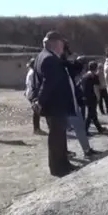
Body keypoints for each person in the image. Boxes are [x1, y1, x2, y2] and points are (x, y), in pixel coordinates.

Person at [33, 31, 79, 177]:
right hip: (55, 104)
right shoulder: (49, 59)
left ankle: (64, 163)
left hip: (55, 104)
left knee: (59, 136)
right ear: (55, 44)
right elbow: (48, 83)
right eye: (61, 44)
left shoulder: (44, 56)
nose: (63, 47)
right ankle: (58, 168)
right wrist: (39, 101)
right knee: (56, 137)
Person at [63, 47, 98, 158]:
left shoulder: (67, 69)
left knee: (76, 128)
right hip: (67, 104)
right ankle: (83, 151)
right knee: (69, 129)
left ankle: (85, 150)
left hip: (72, 103)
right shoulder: (64, 69)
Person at [81, 61, 105, 135]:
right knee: (91, 114)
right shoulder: (94, 77)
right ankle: (85, 130)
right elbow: (96, 88)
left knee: (93, 114)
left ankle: (99, 128)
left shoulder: (84, 76)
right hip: (92, 97)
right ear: (96, 68)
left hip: (85, 97)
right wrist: (98, 97)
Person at [25, 58, 45, 135]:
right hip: (32, 94)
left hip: (30, 93)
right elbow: (34, 85)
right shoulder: (33, 73)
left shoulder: (31, 72)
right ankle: (36, 129)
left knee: (36, 111)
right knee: (36, 111)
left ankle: (37, 128)